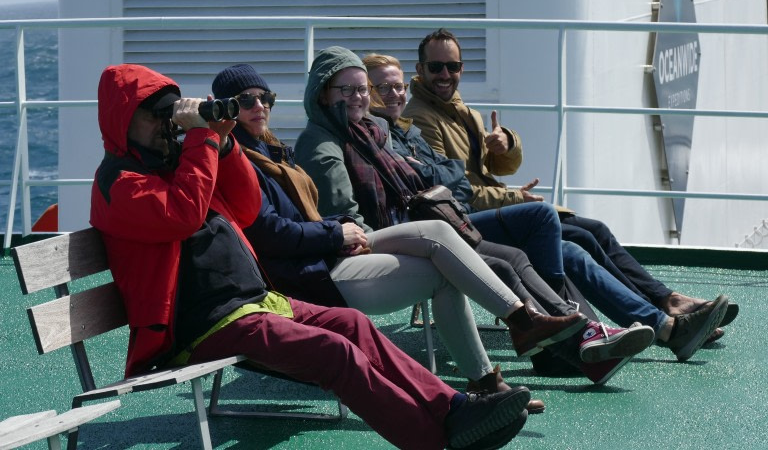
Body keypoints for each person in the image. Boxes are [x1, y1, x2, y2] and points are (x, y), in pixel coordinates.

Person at [89, 63, 531, 450]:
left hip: (252, 303)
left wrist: (224, 146)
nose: (167, 126)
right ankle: (433, 438)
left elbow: (244, 207)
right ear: (123, 121)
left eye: (171, 116)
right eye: (156, 117)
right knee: (333, 352)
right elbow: (182, 217)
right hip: (204, 324)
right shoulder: (119, 183)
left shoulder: (179, 164)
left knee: (352, 324)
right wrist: (203, 139)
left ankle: (452, 407)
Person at [212, 64, 556, 412]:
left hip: (324, 253)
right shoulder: (241, 161)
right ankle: (502, 356)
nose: (260, 106)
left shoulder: (270, 150)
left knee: (438, 232)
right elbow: (270, 236)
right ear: (225, 108)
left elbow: (301, 219)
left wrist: (344, 227)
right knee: (443, 266)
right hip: (308, 279)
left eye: (265, 98)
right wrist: (337, 233)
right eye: (246, 100)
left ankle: (512, 341)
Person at [292, 47, 656, 373]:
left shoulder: (371, 131)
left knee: (519, 253)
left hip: (425, 223)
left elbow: (452, 175)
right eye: (349, 90)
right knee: (510, 256)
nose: (360, 98)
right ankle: (573, 339)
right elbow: (349, 223)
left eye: (361, 90)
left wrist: (496, 151)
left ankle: (581, 341)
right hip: (375, 241)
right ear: (323, 93)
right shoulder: (325, 145)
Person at [399, 32, 735, 361]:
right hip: (471, 218)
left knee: (595, 231)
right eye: (436, 67)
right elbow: (455, 191)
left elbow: (496, 167)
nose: (445, 75)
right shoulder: (423, 119)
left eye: (453, 66)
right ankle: (657, 319)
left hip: (496, 208)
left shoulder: (462, 111)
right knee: (575, 243)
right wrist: (516, 199)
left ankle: (665, 304)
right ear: (420, 70)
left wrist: (507, 143)